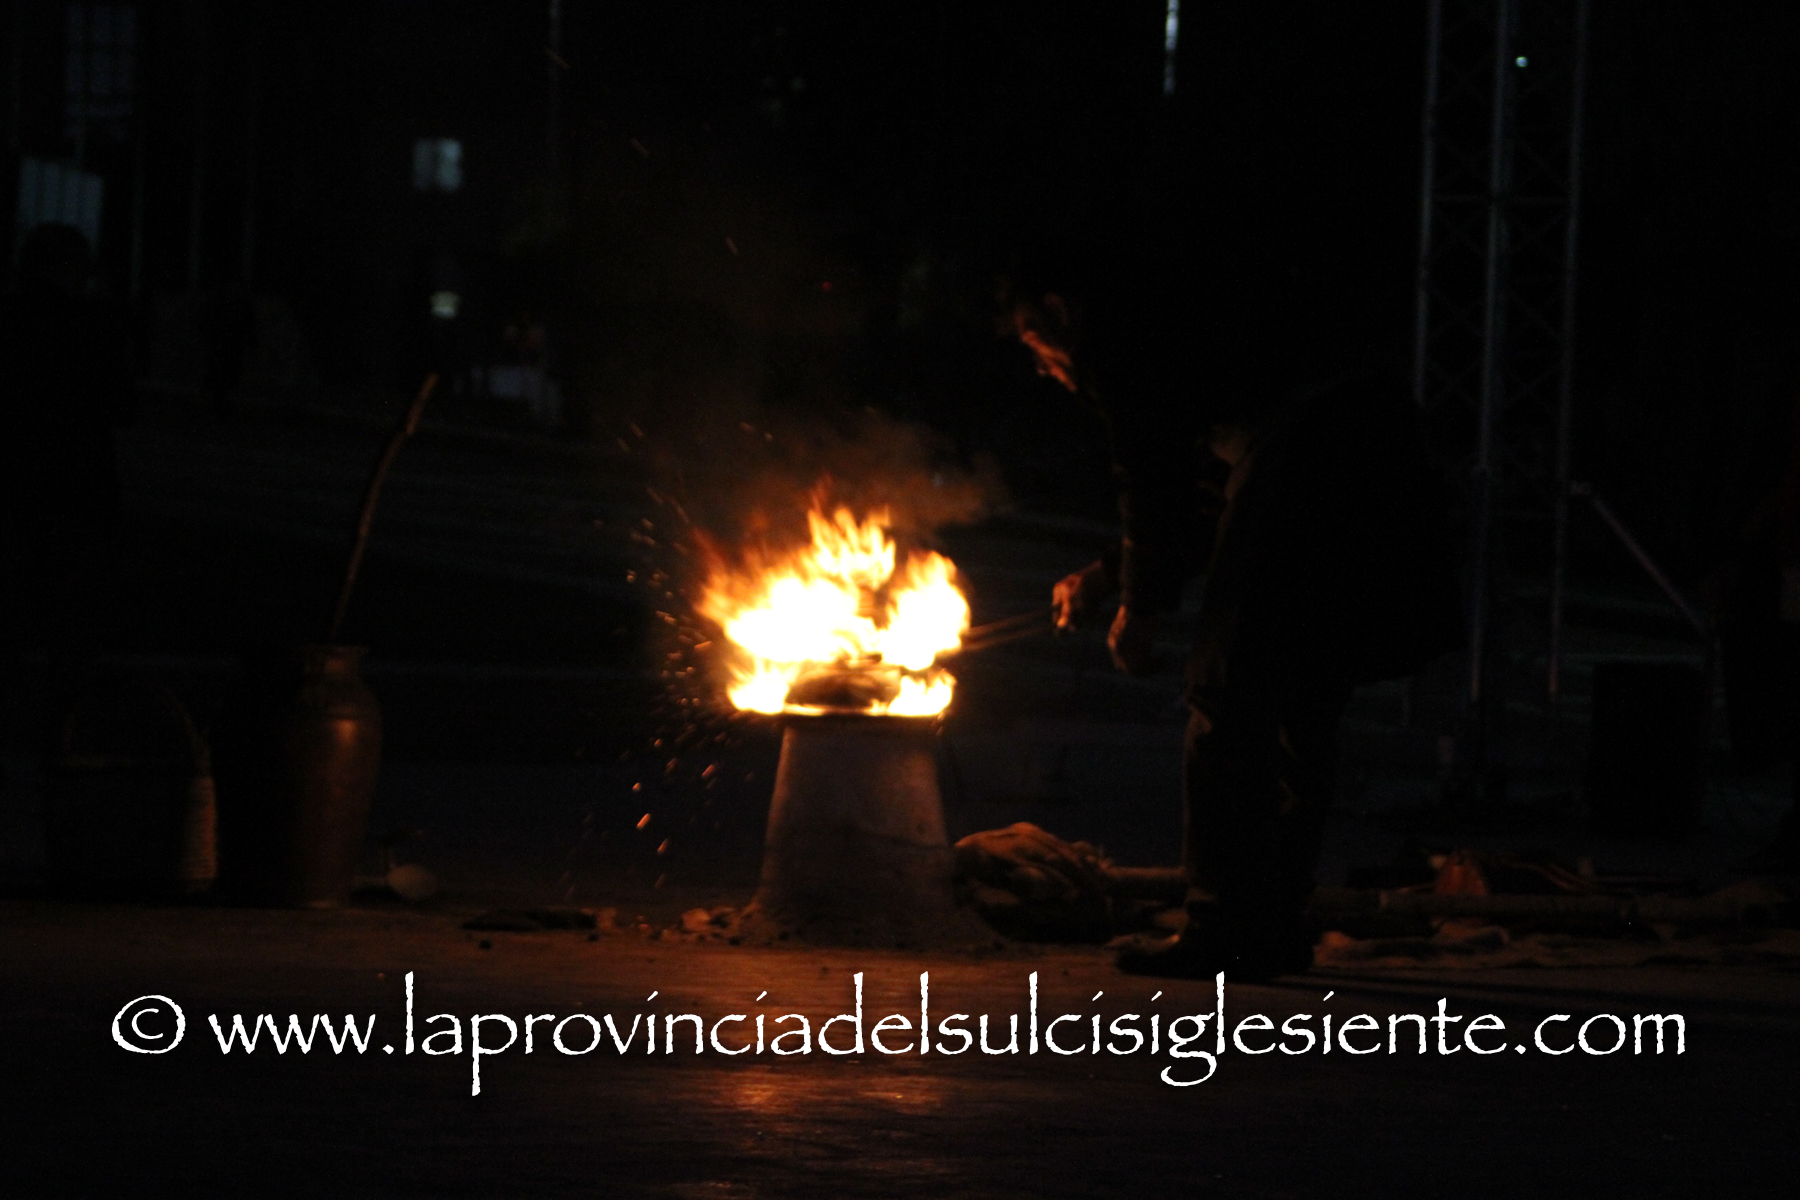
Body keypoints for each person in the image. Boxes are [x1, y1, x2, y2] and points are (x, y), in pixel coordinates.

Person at [1012, 282, 1461, 981]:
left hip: (1309, 457)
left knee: (1223, 696)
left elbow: (1151, 478)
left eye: (1037, 349)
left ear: (1056, 318)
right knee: (1304, 697)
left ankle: (1221, 927)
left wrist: (1139, 608)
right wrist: (1107, 576)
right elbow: (1208, 493)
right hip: (1370, 449)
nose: (1044, 372)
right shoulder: (1197, 347)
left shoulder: (1115, 348)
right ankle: (1276, 925)